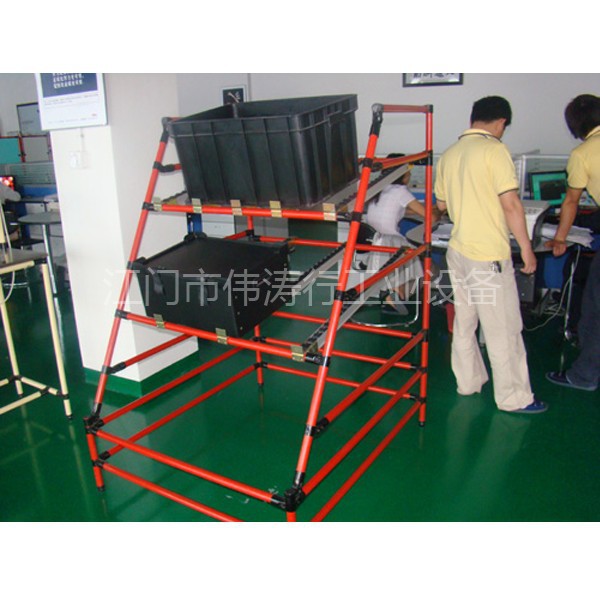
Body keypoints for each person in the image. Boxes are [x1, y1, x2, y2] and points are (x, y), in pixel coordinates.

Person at [434, 96, 547, 414]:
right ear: (501, 123)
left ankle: (468, 382)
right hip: (488, 257)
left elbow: (441, 205)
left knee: (465, 321)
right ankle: (514, 398)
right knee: (503, 329)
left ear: (473, 119)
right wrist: (527, 248)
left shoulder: (450, 154)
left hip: (458, 251)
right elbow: (511, 205)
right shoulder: (495, 150)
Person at [546, 94, 600, 392]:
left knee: (594, 308)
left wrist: (560, 238)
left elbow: (570, 201)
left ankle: (584, 376)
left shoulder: (583, 153)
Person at [364, 164, 440, 314]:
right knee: (431, 269)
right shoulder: (400, 191)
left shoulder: (379, 189)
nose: (410, 176)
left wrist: (422, 210)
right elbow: (431, 218)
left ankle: (393, 294)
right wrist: (441, 209)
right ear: (403, 176)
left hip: (375, 245)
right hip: (393, 245)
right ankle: (399, 295)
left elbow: (400, 210)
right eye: (409, 173)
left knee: (405, 270)